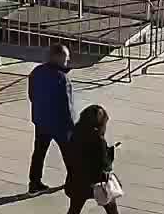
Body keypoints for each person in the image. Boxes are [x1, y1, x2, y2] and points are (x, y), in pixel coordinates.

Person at [27, 45, 76, 194]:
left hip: (41, 121)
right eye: (66, 57)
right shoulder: (62, 78)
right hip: (60, 124)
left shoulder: (36, 72)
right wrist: (73, 126)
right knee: (70, 155)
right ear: (58, 57)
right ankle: (73, 182)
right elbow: (67, 106)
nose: (68, 60)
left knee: (39, 152)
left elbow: (31, 95)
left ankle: (34, 183)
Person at [63, 104, 120, 214]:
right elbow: (104, 164)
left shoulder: (75, 134)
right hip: (95, 183)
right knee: (111, 207)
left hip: (76, 182)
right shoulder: (98, 140)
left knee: (74, 209)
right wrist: (111, 151)